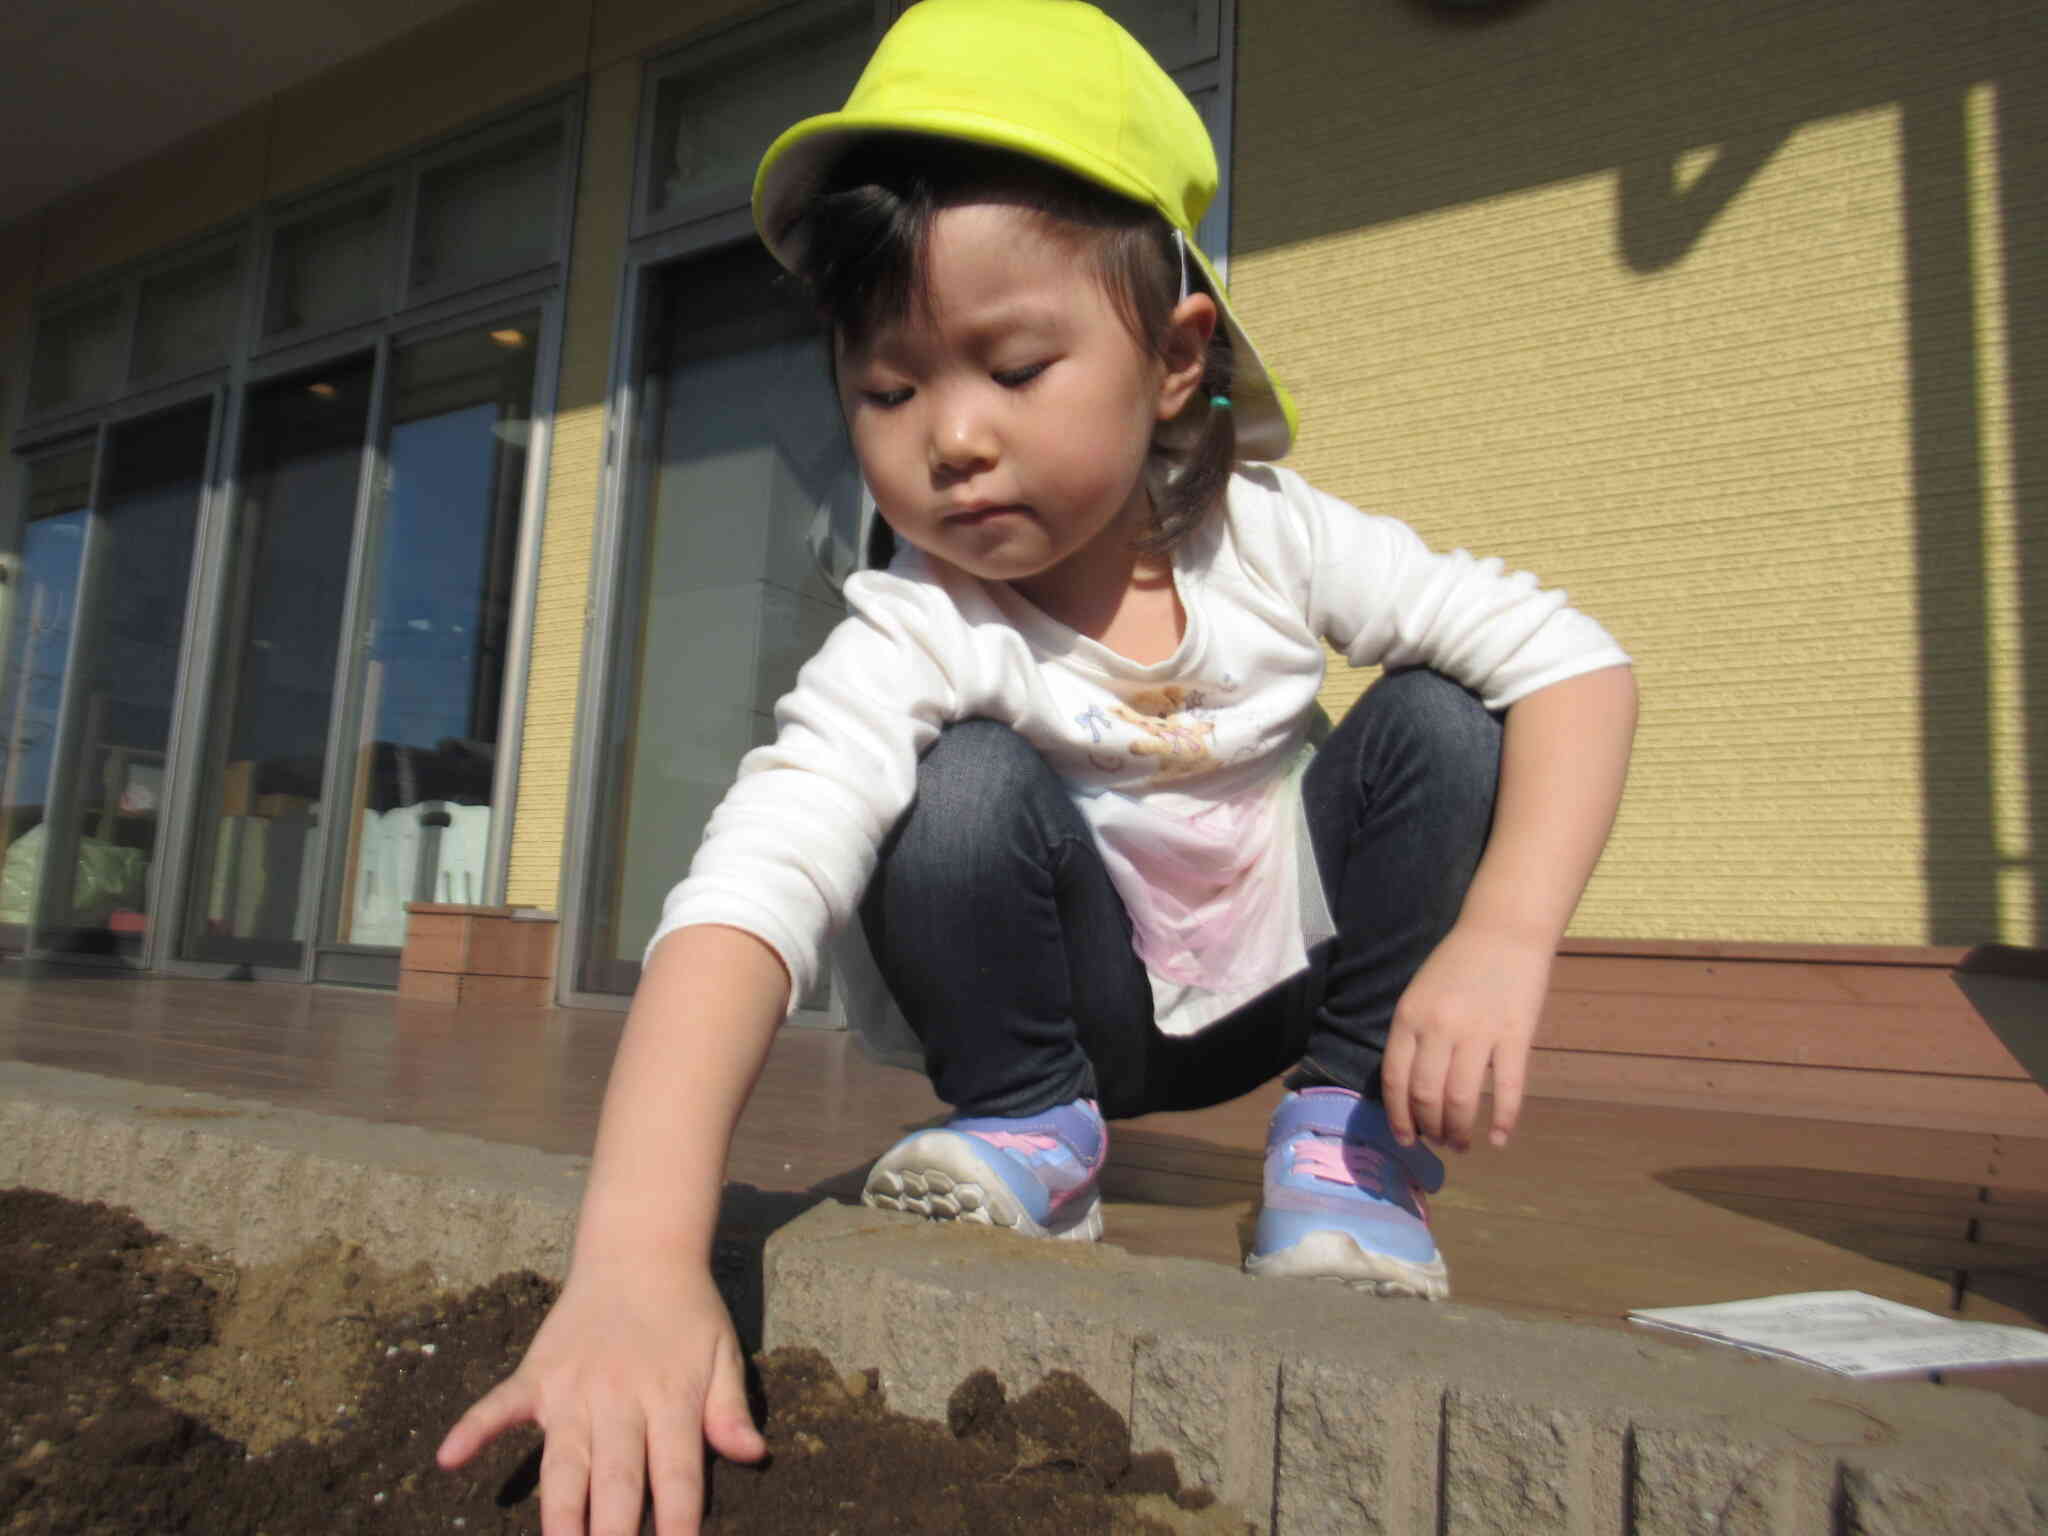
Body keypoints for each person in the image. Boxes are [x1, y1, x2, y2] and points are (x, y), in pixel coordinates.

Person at [438, 3, 1638, 1532]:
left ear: (1173, 360)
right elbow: (755, 882)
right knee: (950, 787)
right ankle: (1029, 1134)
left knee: (1447, 717)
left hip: (1291, 995)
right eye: (888, 390)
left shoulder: (1271, 539)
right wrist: (633, 1264)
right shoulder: (915, 628)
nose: (951, 438)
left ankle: (1344, 1149)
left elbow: (1575, 662)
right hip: (1071, 1019)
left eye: (1014, 365)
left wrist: (1504, 938)